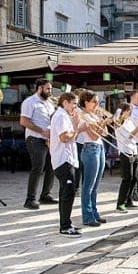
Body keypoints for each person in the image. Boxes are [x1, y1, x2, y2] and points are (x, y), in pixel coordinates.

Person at [48, 91, 83, 237]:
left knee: (67, 193)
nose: (76, 107)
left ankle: (66, 222)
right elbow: (64, 137)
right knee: (67, 193)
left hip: (67, 159)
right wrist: (76, 127)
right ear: (65, 103)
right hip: (63, 159)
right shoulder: (61, 116)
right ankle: (65, 226)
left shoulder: (64, 115)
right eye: (74, 103)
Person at [20, 78, 57, 209]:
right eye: (48, 89)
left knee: (52, 166)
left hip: (48, 139)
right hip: (35, 138)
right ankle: (30, 199)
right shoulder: (30, 102)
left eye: (50, 89)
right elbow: (24, 121)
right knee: (38, 168)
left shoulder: (49, 103)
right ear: (40, 88)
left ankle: (45, 194)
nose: (50, 91)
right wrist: (42, 131)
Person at [76, 91, 107, 228]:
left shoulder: (93, 115)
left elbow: (104, 133)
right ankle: (87, 216)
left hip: (99, 148)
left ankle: (94, 212)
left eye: (97, 102)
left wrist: (102, 122)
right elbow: (94, 136)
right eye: (94, 101)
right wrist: (103, 121)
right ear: (86, 102)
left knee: (95, 186)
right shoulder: (82, 116)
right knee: (88, 185)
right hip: (89, 148)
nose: (97, 104)